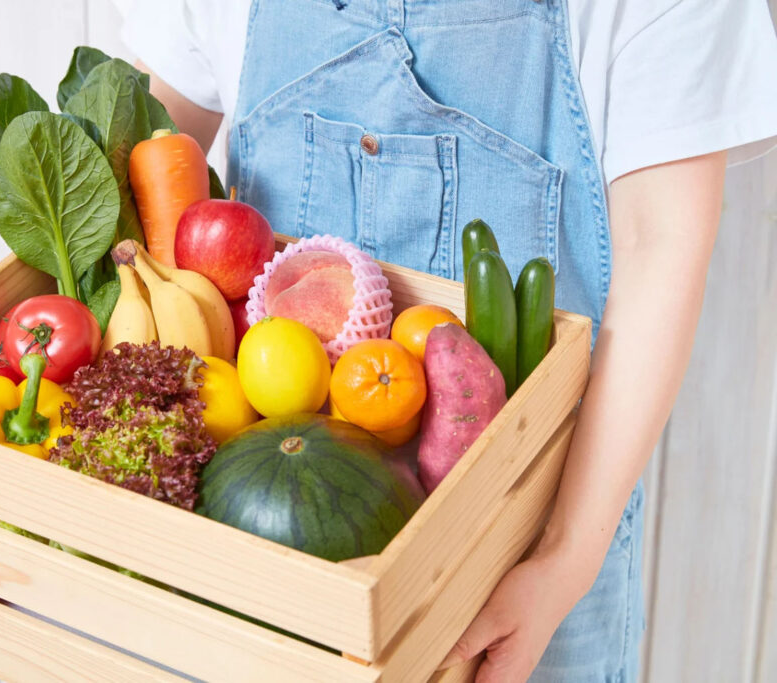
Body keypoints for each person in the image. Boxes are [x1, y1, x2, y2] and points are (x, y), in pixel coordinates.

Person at [120, 0, 777, 679]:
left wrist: (563, 558)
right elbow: (146, 139)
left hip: (521, 557)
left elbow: (661, 245)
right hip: (262, 543)